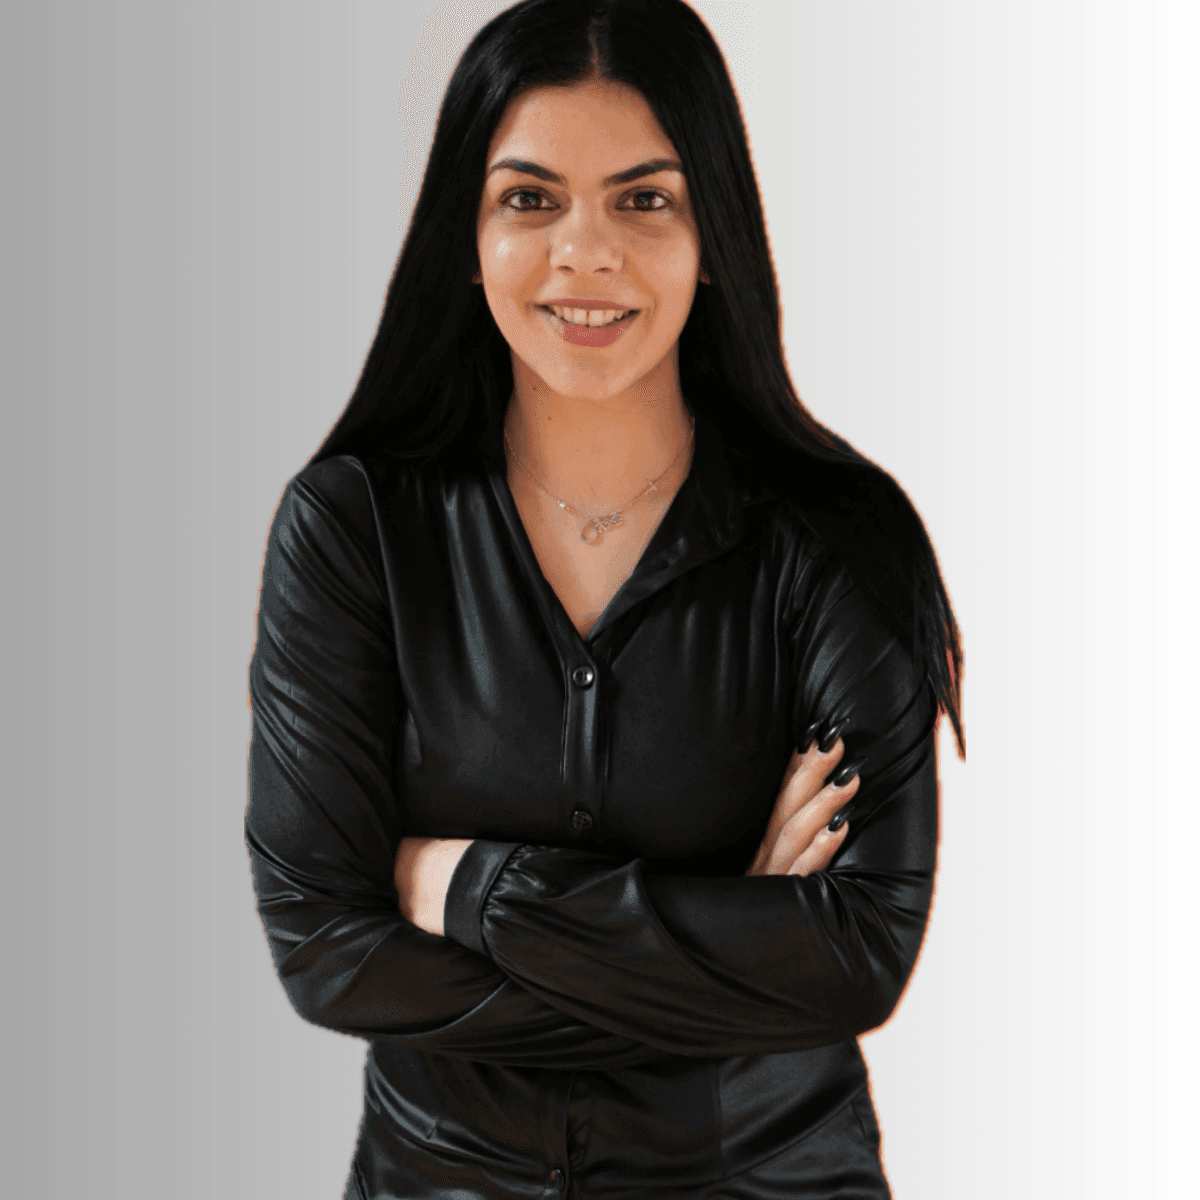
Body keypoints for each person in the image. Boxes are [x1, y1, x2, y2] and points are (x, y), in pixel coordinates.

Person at [245, 1, 964, 1196]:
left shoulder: (839, 543)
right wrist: (725, 945)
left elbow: (860, 955)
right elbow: (326, 951)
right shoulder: (354, 529)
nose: (586, 252)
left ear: (713, 228)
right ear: (463, 234)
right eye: (531, 198)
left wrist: (456, 884)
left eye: (645, 198)